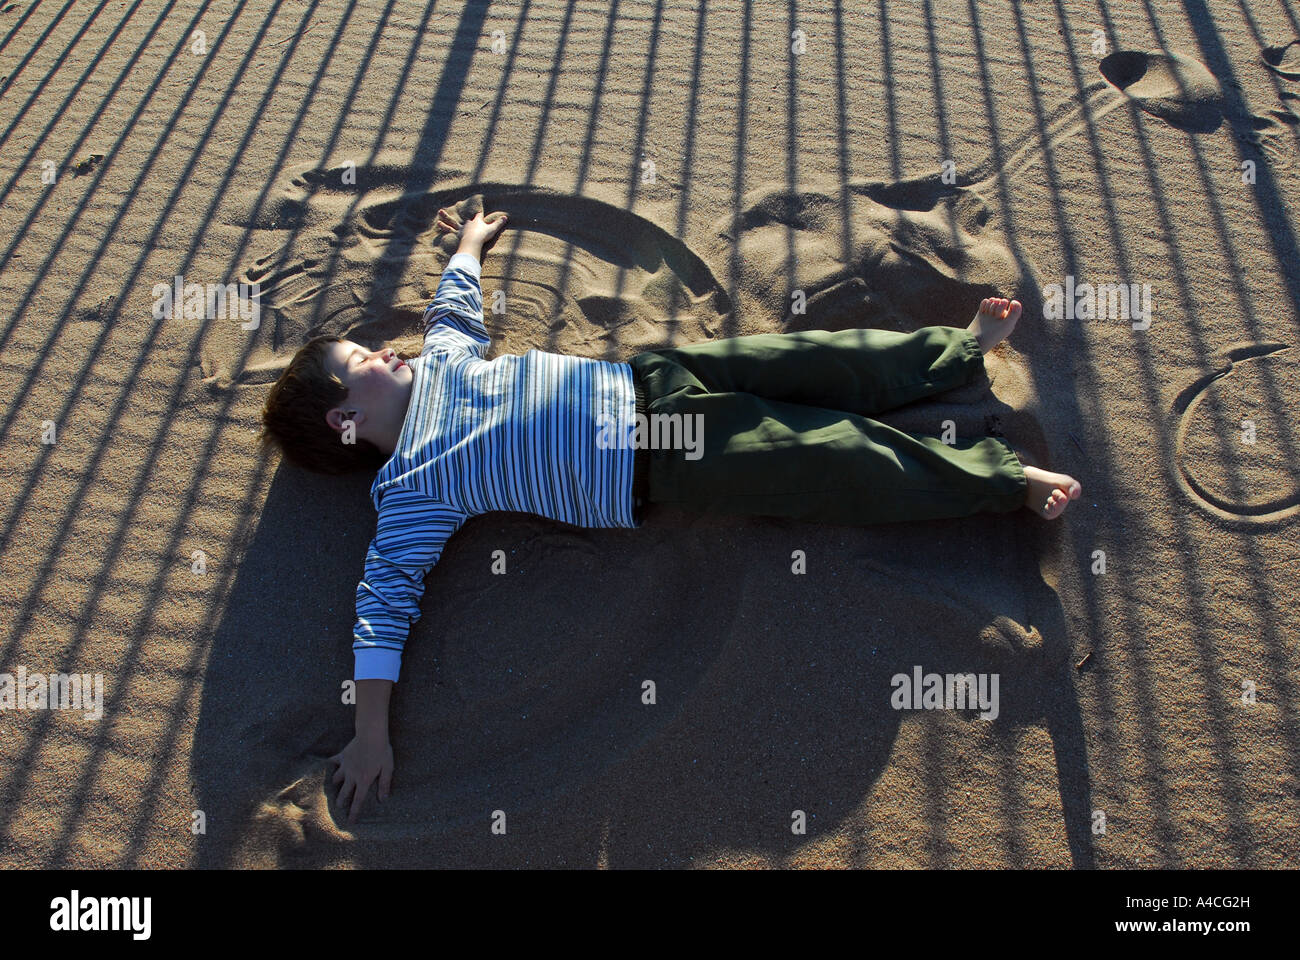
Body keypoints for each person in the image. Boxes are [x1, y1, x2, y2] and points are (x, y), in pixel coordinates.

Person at [258, 207, 1081, 823]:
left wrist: (468, 246)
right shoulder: (413, 487)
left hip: (656, 381)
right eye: (362, 363)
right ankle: (999, 479)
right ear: (346, 421)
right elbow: (383, 607)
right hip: (662, 462)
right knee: (830, 457)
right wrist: (371, 733)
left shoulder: (443, 358)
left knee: (813, 365)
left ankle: (952, 353)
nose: (385, 351)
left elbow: (453, 308)